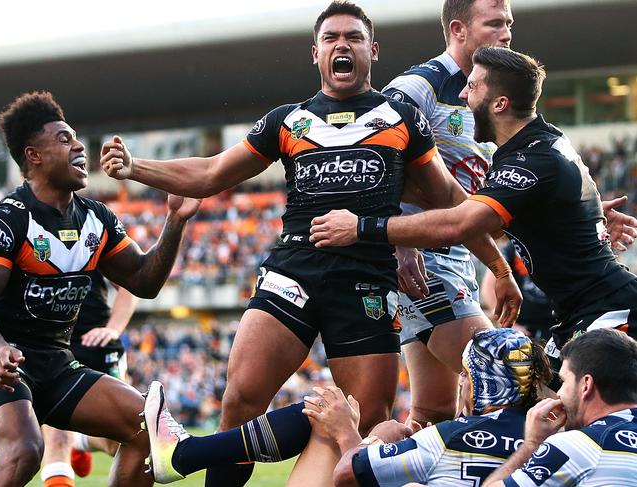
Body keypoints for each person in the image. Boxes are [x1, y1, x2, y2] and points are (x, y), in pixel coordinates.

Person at [100, 2, 521, 485]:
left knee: (362, 420)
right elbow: (212, 171)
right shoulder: (287, 120)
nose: (342, 45)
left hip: (366, 285)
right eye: (332, 38)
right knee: (239, 400)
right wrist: (136, 168)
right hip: (292, 273)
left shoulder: (401, 115)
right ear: (315, 54)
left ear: (373, 51)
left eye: (354, 37)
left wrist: (500, 268)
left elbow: (452, 201)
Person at [309, 46, 637, 370]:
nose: (464, 94)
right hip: (577, 314)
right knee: (530, 404)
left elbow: (461, 224)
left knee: (526, 392)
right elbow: (503, 219)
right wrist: (576, 215)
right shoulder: (537, 142)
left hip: (607, 311)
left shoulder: (531, 161)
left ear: (500, 104)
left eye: (473, 86)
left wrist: (361, 227)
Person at [0, 91, 200, 486]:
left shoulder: (96, 218)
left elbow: (143, 281)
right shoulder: (7, 220)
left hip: (55, 364)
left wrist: (175, 221)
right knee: (24, 453)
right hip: (1, 367)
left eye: (75, 137)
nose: (79, 145)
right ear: (34, 156)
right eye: (64, 139)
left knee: (145, 429)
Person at [134, 327, 550, 486]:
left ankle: (185, 455)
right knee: (331, 419)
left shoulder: (447, 437)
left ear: (479, 382)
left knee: (331, 415)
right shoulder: (553, 443)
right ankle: (184, 456)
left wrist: (364, 437)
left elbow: (352, 473)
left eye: (466, 374)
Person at [379, 0, 513, 424]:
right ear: (458, 30)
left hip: (461, 256)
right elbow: (374, 156)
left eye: (509, 23)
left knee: (433, 413)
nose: (506, 33)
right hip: (422, 256)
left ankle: (359, 465)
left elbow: (489, 194)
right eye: (494, 24)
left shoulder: (489, 96)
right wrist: (399, 242)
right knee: (510, 381)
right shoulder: (421, 85)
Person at [483, 328, 637, 486]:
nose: (559, 394)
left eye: (563, 382)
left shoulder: (579, 445)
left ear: (586, 385)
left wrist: (532, 444)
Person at [40, 281, 138, 485]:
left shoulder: (94, 246)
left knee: (118, 441)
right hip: (49, 347)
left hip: (97, 343)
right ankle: (67, 438)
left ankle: (78, 440)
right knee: (57, 439)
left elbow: (130, 284)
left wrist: (113, 329)